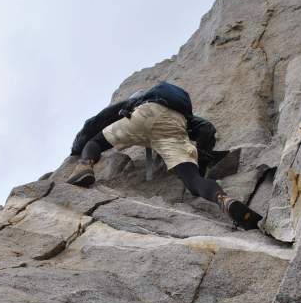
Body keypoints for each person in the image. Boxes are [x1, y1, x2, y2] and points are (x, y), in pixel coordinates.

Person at [67, 81, 262, 230]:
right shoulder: (181, 109)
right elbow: (207, 129)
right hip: (175, 124)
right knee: (193, 180)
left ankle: (84, 166)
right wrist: (201, 160)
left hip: (145, 115)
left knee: (95, 142)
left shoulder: (137, 100)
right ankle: (224, 200)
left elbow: (99, 119)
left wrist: (77, 148)